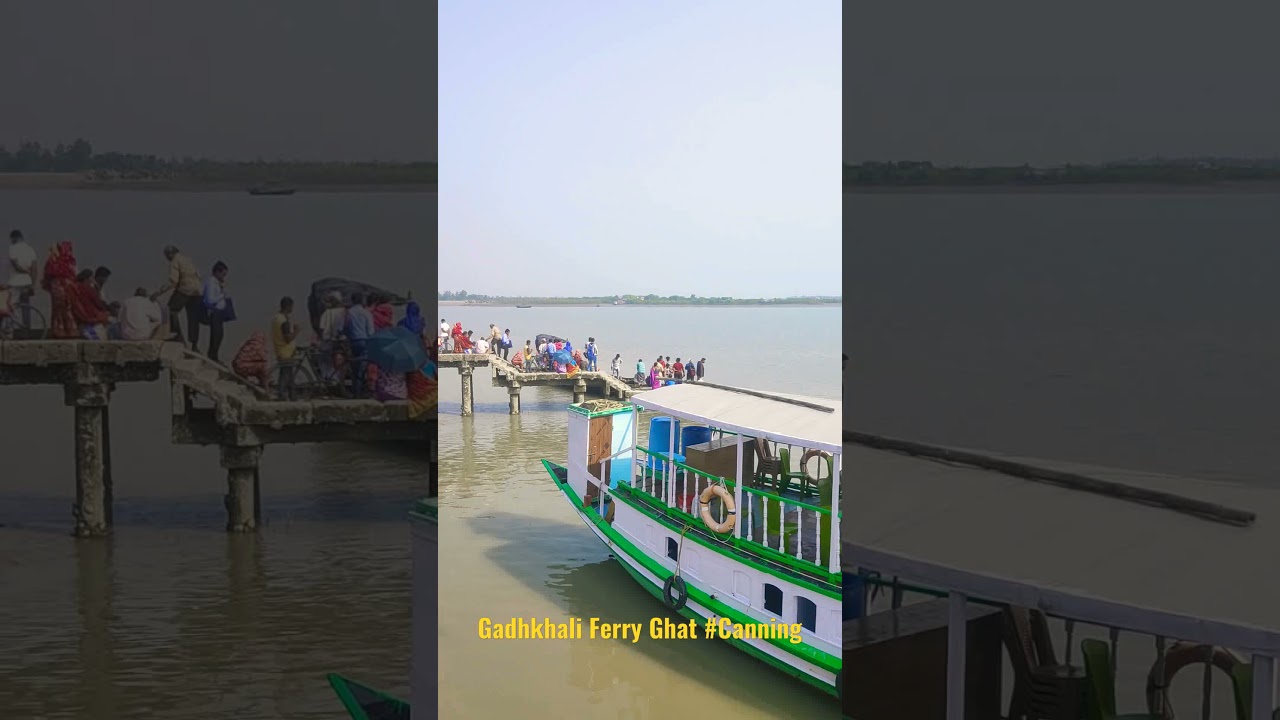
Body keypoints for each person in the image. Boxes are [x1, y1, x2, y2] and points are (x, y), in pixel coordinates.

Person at [152, 245, 203, 347]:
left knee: (171, 311)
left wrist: (159, 292)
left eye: (167, 256)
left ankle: (177, 337)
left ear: (170, 254)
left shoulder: (175, 261)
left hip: (185, 289)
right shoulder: (187, 259)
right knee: (193, 318)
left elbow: (173, 281)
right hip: (197, 291)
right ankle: (194, 345)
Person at [41, 241, 78, 338]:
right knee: (62, 308)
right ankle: (63, 331)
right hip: (61, 287)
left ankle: (62, 331)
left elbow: (47, 276)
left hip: (61, 287)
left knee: (63, 308)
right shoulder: (63, 261)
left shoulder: (60, 261)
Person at [345, 292, 376, 397]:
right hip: (364, 341)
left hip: (353, 342)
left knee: (354, 367)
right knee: (362, 368)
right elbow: (371, 331)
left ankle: (355, 390)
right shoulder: (366, 313)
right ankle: (359, 393)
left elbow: (345, 328)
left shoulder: (349, 312)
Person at [271, 296, 301, 400]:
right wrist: (297, 331)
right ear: (288, 306)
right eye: (292, 306)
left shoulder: (276, 318)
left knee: (289, 375)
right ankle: (282, 395)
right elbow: (288, 338)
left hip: (279, 349)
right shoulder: (283, 321)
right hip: (286, 352)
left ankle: (293, 396)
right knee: (285, 375)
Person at [201, 261, 230, 363]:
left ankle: (214, 355)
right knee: (216, 334)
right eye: (223, 274)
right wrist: (222, 295)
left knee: (219, 335)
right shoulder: (211, 283)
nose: (224, 277)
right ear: (217, 272)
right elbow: (210, 300)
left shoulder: (217, 283)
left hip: (220, 313)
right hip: (214, 312)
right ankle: (212, 356)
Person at [8, 229, 37, 330]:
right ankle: (26, 328)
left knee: (11, 305)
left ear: (13, 238)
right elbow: (34, 269)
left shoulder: (13, 248)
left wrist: (25, 271)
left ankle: (11, 328)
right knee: (25, 306)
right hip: (27, 282)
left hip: (15, 282)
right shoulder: (30, 249)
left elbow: (16, 266)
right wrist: (33, 285)